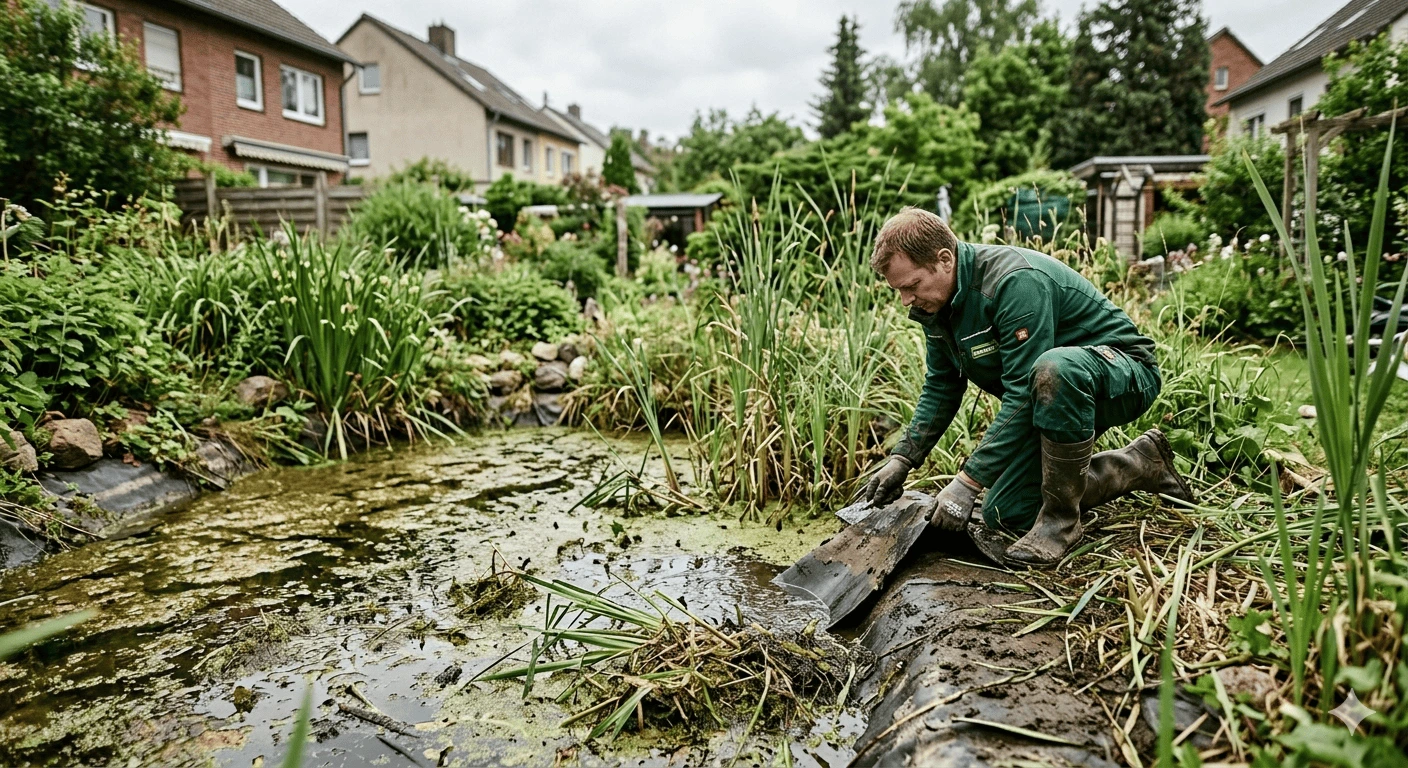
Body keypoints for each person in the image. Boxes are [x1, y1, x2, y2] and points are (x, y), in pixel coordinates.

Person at [861, 208, 1193, 566]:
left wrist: (967, 482)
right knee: (1006, 512)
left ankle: (1061, 524)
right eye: (899, 290)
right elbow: (942, 386)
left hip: (1121, 374)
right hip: (1053, 399)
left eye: (911, 286)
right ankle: (1138, 464)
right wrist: (903, 458)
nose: (906, 300)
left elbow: (1023, 391)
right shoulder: (939, 306)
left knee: (1055, 367)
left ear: (944, 259)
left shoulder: (1014, 281)